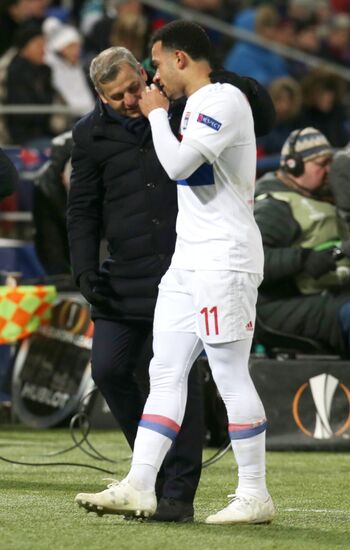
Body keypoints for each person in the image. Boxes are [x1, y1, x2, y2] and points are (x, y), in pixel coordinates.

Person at [74, 21, 275, 525]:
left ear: (180, 59)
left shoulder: (223, 101)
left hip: (224, 258)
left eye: (157, 63)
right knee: (164, 370)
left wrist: (159, 117)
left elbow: (179, 165)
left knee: (228, 373)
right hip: (188, 259)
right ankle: (141, 482)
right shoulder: (196, 105)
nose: (152, 78)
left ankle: (255, 493)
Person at [254, 127, 350, 356]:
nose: (329, 171)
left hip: (327, 293)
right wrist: (304, 259)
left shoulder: (324, 196)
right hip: (282, 303)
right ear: (293, 165)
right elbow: (254, 260)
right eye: (321, 164)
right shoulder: (274, 206)